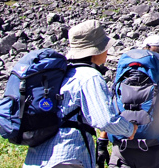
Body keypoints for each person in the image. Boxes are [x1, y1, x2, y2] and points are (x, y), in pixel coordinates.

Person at [24, 20, 138, 168]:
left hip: (38, 158)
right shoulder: (90, 76)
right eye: (105, 47)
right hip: (67, 158)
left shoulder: (61, 73)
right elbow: (105, 120)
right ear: (95, 51)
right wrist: (129, 129)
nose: (107, 51)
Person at [99, 35, 159, 168]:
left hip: (121, 148)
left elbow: (113, 103)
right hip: (151, 149)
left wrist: (102, 142)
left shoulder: (126, 70)